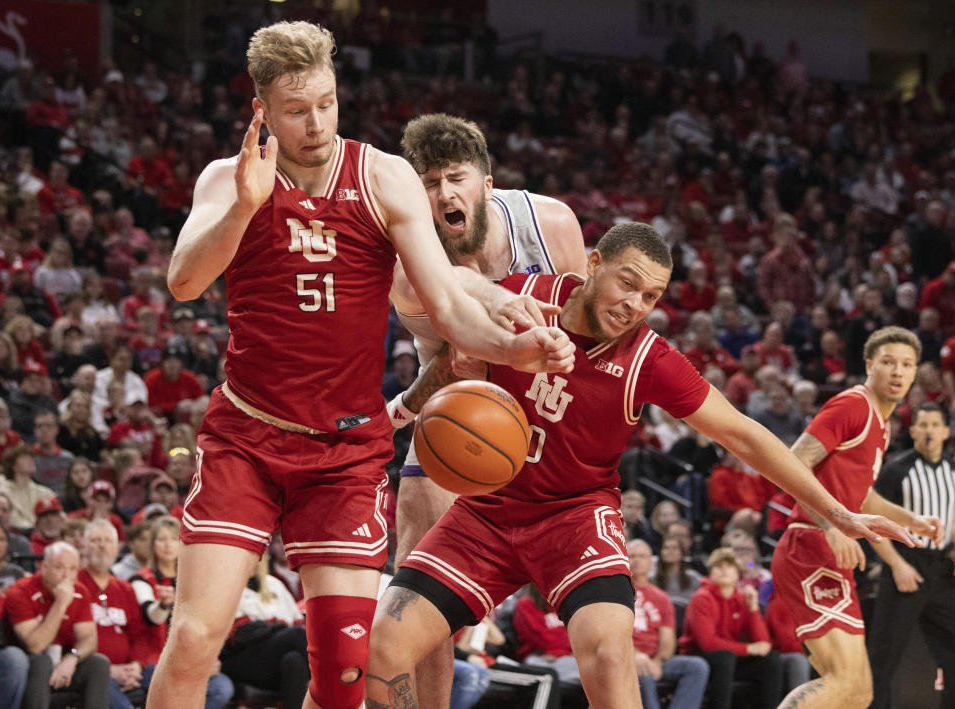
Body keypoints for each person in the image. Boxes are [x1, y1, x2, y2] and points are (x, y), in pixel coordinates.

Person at [147, 22, 574, 709]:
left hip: (344, 452)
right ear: (263, 110)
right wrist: (245, 209)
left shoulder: (383, 177)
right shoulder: (228, 179)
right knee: (197, 634)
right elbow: (183, 282)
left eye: (326, 102)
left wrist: (518, 348)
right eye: (295, 110)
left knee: (346, 676)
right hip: (248, 439)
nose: (315, 122)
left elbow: (447, 305)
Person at [367, 223, 916, 709]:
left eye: (650, 295)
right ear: (593, 264)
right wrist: (407, 401)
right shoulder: (526, 298)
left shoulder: (649, 360)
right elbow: (439, 300)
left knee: (608, 654)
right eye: (628, 283)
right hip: (485, 515)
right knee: (383, 645)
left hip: (574, 517)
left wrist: (835, 512)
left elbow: (742, 434)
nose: (635, 304)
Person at [386, 111, 589, 707]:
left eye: (456, 177)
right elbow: (456, 366)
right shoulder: (406, 270)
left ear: (487, 182)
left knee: (599, 602)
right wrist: (405, 409)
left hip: (554, 405)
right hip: (466, 399)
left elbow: (588, 340)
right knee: (415, 554)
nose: (444, 193)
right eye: (427, 182)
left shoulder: (550, 223)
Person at [770, 326, 944, 709]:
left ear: (916, 373)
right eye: (888, 362)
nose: (898, 371)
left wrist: (911, 519)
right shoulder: (853, 405)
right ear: (869, 365)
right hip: (810, 545)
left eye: (907, 364)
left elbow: (861, 495)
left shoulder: (880, 426)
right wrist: (831, 524)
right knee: (846, 684)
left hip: (830, 551)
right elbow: (792, 462)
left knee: (856, 693)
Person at [867, 402, 955, 709]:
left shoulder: (953, 469)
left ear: (946, 431)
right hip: (906, 563)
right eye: (923, 425)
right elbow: (872, 520)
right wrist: (896, 565)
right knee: (884, 655)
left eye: (935, 424)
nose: (929, 430)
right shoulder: (896, 470)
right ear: (913, 430)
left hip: (943, 569)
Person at [132, 516, 233, 709]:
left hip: (190, 660)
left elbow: (206, 623)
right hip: (154, 661)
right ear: (152, 544)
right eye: (161, 539)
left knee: (222, 687)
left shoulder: (194, 579)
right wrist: (163, 605)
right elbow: (151, 617)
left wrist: (210, 657)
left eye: (173, 538)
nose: (168, 545)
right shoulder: (141, 579)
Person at [5, 541, 111, 709]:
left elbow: (90, 640)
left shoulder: (80, 591)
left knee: (99, 663)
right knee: (41, 662)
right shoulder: (21, 591)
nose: (66, 575)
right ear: (44, 567)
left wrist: (72, 658)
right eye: (59, 567)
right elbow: (35, 645)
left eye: (72, 569)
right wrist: (61, 603)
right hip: (29, 665)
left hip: (64, 662)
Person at [679, 547, 783, 709]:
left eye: (729, 566)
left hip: (731, 659)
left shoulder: (742, 599)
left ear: (737, 573)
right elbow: (707, 644)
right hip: (700, 658)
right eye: (719, 566)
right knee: (724, 657)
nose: (724, 570)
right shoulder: (701, 598)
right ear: (711, 572)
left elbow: (763, 643)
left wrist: (754, 608)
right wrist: (748, 649)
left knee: (771, 659)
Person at [77, 519, 150, 709]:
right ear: (84, 547)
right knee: (101, 680)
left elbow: (139, 635)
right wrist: (109, 670)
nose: (102, 545)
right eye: (95, 540)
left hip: (129, 670)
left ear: (117, 549)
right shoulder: (75, 586)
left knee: (164, 675)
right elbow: (70, 637)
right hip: (90, 669)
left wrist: (136, 665)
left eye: (107, 541)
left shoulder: (125, 589)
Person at [220, 553, 309, 709]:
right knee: (296, 636)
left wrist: (271, 628)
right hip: (240, 658)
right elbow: (240, 636)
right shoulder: (225, 586)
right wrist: (278, 627)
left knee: (293, 660)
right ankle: (333, 683)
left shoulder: (274, 584)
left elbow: (296, 621)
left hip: (273, 659)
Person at [627, 539, 709, 709]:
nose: (637, 560)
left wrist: (657, 661)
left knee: (697, 667)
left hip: (655, 660)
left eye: (642, 556)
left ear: (651, 562)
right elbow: (612, 635)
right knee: (643, 673)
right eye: (632, 556)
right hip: (625, 658)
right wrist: (635, 655)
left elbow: (667, 641)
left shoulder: (661, 598)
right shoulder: (616, 594)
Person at [0, 444, 54, 530]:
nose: (30, 460)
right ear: (13, 466)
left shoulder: (45, 492)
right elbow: (11, 519)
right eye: (24, 458)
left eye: (31, 458)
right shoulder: (1, 490)